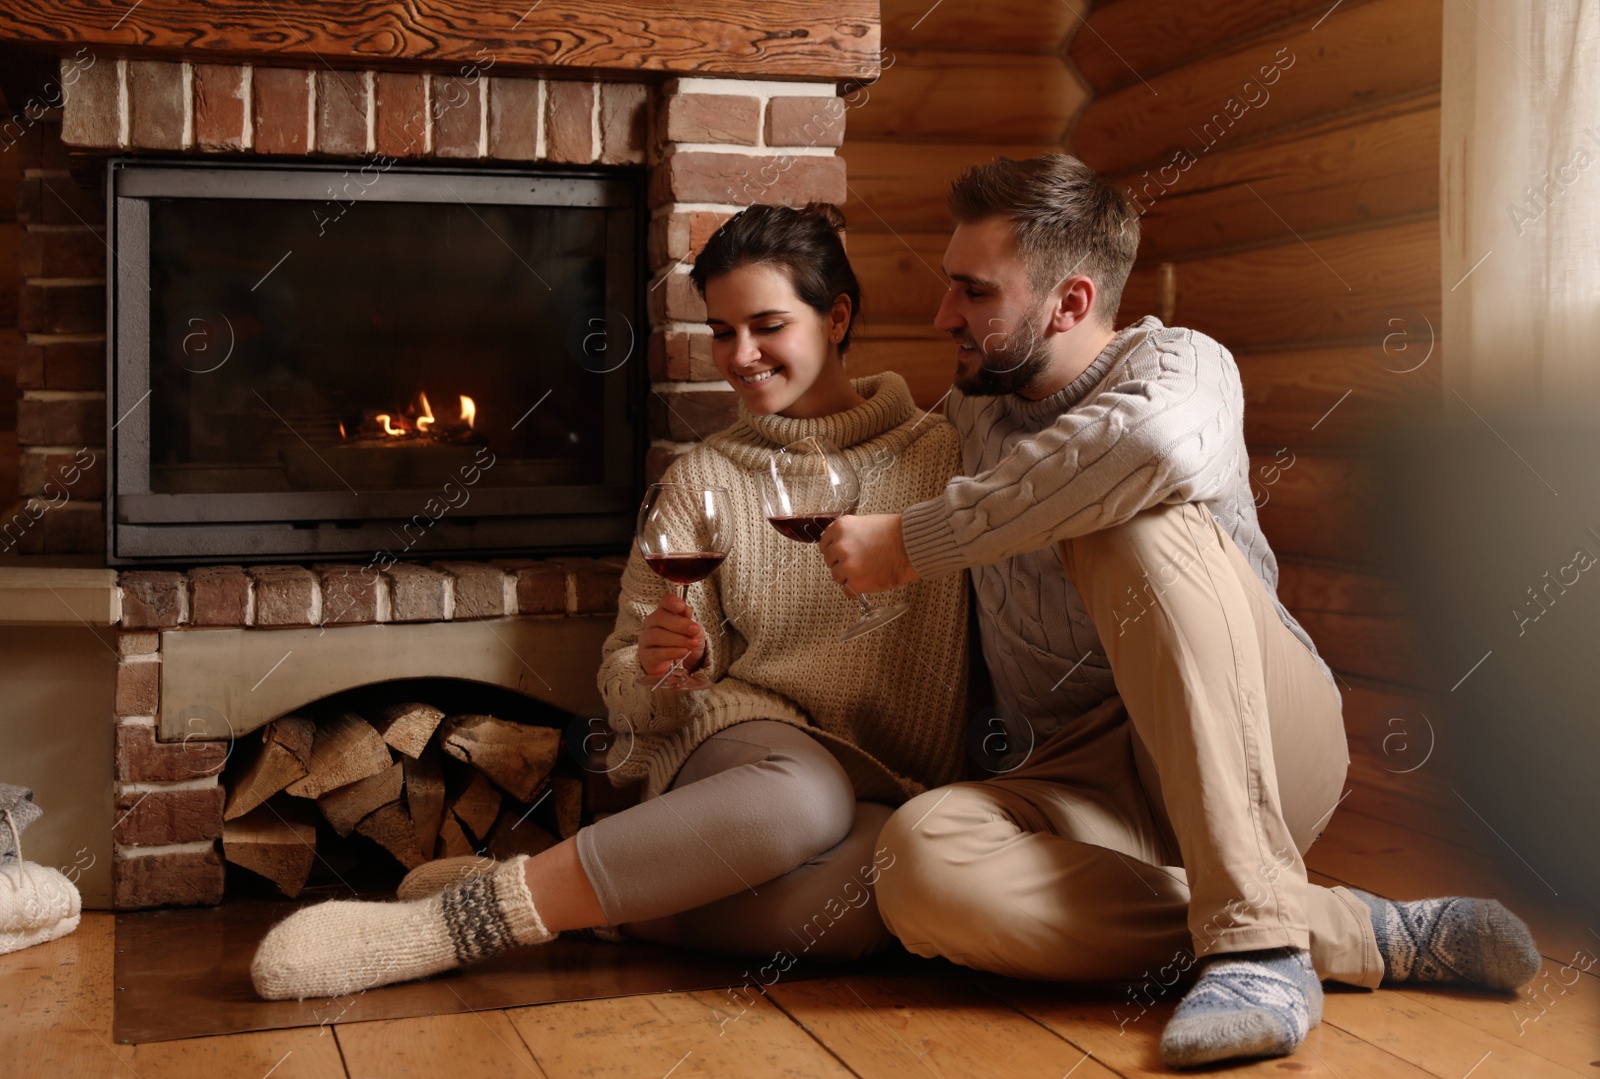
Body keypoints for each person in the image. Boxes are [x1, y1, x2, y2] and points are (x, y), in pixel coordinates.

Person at [817, 154, 1542, 1069]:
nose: (942, 316)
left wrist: (914, 541)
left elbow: (1147, 444)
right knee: (918, 863)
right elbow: (854, 460)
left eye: (972, 291)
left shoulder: (1184, 365)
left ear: (1071, 302)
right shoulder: (969, 417)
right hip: (1087, 781)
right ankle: (1344, 929)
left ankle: (1255, 942)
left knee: (1126, 516)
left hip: (1267, 735)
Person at [249, 203, 971, 1000]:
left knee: (881, 901)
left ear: (836, 316)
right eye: (722, 332)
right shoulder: (704, 479)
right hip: (753, 754)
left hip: (892, 778)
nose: (742, 355)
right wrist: (665, 667)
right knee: (808, 797)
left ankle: (593, 904)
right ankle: (459, 925)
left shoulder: (945, 459)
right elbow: (628, 690)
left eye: (767, 325)